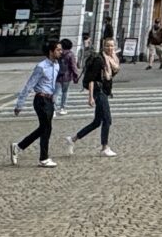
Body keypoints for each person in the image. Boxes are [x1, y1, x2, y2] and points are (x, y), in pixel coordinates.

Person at [12, 39, 65, 167]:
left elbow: (54, 84)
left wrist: (54, 99)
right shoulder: (41, 67)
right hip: (41, 99)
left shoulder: (57, 65)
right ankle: (43, 158)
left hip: (49, 100)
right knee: (46, 128)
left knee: (45, 128)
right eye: (58, 50)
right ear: (51, 51)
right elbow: (29, 85)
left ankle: (19, 147)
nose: (61, 52)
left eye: (61, 49)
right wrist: (20, 104)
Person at [71, 27, 119, 156]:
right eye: (107, 46)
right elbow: (91, 79)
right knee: (107, 120)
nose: (110, 48)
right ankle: (104, 147)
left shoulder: (113, 59)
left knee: (97, 122)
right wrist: (90, 97)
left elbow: (111, 74)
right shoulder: (99, 59)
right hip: (99, 91)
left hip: (105, 91)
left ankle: (74, 138)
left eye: (112, 46)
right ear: (103, 46)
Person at [56, 36, 80, 110]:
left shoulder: (58, 53)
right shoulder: (70, 54)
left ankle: (54, 108)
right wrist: (76, 76)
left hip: (58, 75)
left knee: (56, 92)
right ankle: (62, 107)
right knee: (65, 92)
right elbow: (73, 66)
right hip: (67, 77)